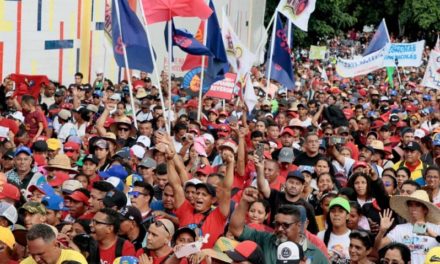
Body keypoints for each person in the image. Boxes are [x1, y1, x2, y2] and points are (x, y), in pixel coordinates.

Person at [229, 187, 327, 264]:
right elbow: (236, 229)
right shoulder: (267, 239)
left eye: (286, 225)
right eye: (277, 224)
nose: (279, 229)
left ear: (299, 225)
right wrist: (244, 202)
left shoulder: (317, 255)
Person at [377, 190, 440, 263]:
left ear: (425, 209)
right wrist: (381, 231)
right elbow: (377, 248)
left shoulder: (436, 229)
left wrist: (434, 235)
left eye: (417, 205)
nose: (413, 208)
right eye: (410, 204)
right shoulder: (399, 229)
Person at [20, 223, 87, 264]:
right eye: (33, 255)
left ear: (56, 245)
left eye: (40, 254)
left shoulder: (74, 260)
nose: (37, 259)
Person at [317, 197, 351, 263]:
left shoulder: (353, 236)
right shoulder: (321, 235)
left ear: (347, 216)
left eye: (341, 211)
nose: (336, 214)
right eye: (333, 211)